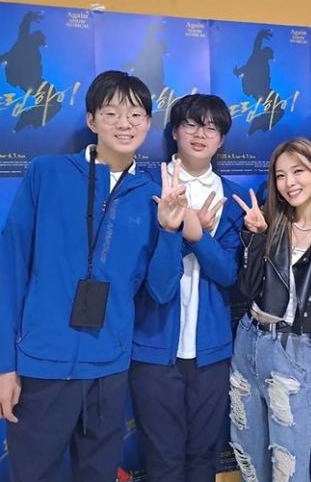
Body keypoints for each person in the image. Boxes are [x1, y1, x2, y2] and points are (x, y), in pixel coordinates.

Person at [0, 70, 187, 482]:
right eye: (111, 113)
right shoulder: (47, 173)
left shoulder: (152, 194)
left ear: (148, 123)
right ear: (91, 120)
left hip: (108, 370)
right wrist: (5, 366)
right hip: (42, 366)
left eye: (135, 115)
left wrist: (170, 229)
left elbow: (161, 290)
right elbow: (10, 271)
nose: (124, 124)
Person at [229, 137, 311, 482]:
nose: (289, 183)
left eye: (298, 171)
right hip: (248, 340)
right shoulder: (270, 223)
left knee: (288, 467)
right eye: (280, 175)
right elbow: (246, 289)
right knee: (249, 460)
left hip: (292, 352)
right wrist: (256, 237)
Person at [129, 94, 246, 481]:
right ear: (174, 132)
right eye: (191, 124)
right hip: (153, 351)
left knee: (203, 459)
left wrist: (197, 235)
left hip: (211, 354)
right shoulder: (145, 187)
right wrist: (175, 231)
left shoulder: (232, 199)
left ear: (222, 140)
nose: (200, 134)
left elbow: (228, 274)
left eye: (211, 127)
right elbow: (159, 286)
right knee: (162, 462)